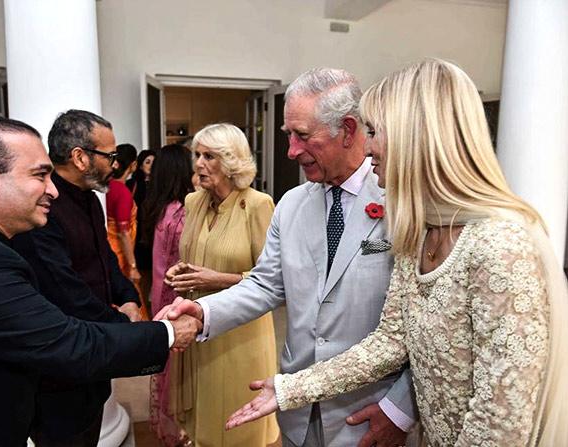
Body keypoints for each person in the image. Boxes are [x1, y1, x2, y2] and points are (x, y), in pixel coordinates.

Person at [224, 59, 568, 446]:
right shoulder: (418, 233)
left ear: (416, 137)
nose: (367, 146)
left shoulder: (501, 243)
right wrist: (289, 390)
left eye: (374, 131)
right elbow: (390, 341)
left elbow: (500, 424)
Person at [0, 115, 201, 447]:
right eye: (40, 175)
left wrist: (128, 300)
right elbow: (68, 342)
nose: (52, 189)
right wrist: (169, 332)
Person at [159, 69, 418, 447]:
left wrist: (400, 410)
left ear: (347, 130)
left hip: (371, 416)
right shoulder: (292, 204)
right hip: (297, 416)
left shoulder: (402, 203)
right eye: (288, 136)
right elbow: (265, 283)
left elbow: (424, 329)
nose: (291, 151)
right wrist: (205, 314)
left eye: (303, 136)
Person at [11, 110, 151, 445]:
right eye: (110, 155)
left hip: (92, 356)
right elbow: (65, 290)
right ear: (80, 157)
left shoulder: (90, 198)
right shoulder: (43, 205)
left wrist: (129, 297)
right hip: (61, 368)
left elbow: (104, 259)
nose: (115, 164)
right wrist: (122, 325)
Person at [164, 123, 280, 446]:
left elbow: (272, 279)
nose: (199, 163)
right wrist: (179, 272)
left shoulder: (258, 205)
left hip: (240, 332)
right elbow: (193, 254)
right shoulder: (193, 202)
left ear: (231, 163)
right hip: (195, 322)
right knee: (201, 418)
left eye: (209, 156)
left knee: (232, 418)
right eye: (197, 155)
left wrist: (214, 279)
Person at [143, 144, 194, 446]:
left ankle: (171, 427)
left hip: (158, 295)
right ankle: (181, 431)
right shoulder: (182, 212)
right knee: (179, 371)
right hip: (176, 298)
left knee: (168, 369)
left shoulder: (160, 207)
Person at [107, 143, 142, 285]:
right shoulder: (122, 192)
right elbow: (123, 232)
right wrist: (133, 266)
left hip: (108, 247)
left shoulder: (106, 186)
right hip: (121, 253)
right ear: (133, 165)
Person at [127, 149, 157, 302]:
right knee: (142, 277)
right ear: (139, 165)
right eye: (147, 162)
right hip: (138, 235)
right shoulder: (132, 184)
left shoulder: (160, 186)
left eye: (153, 162)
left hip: (154, 234)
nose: (150, 165)